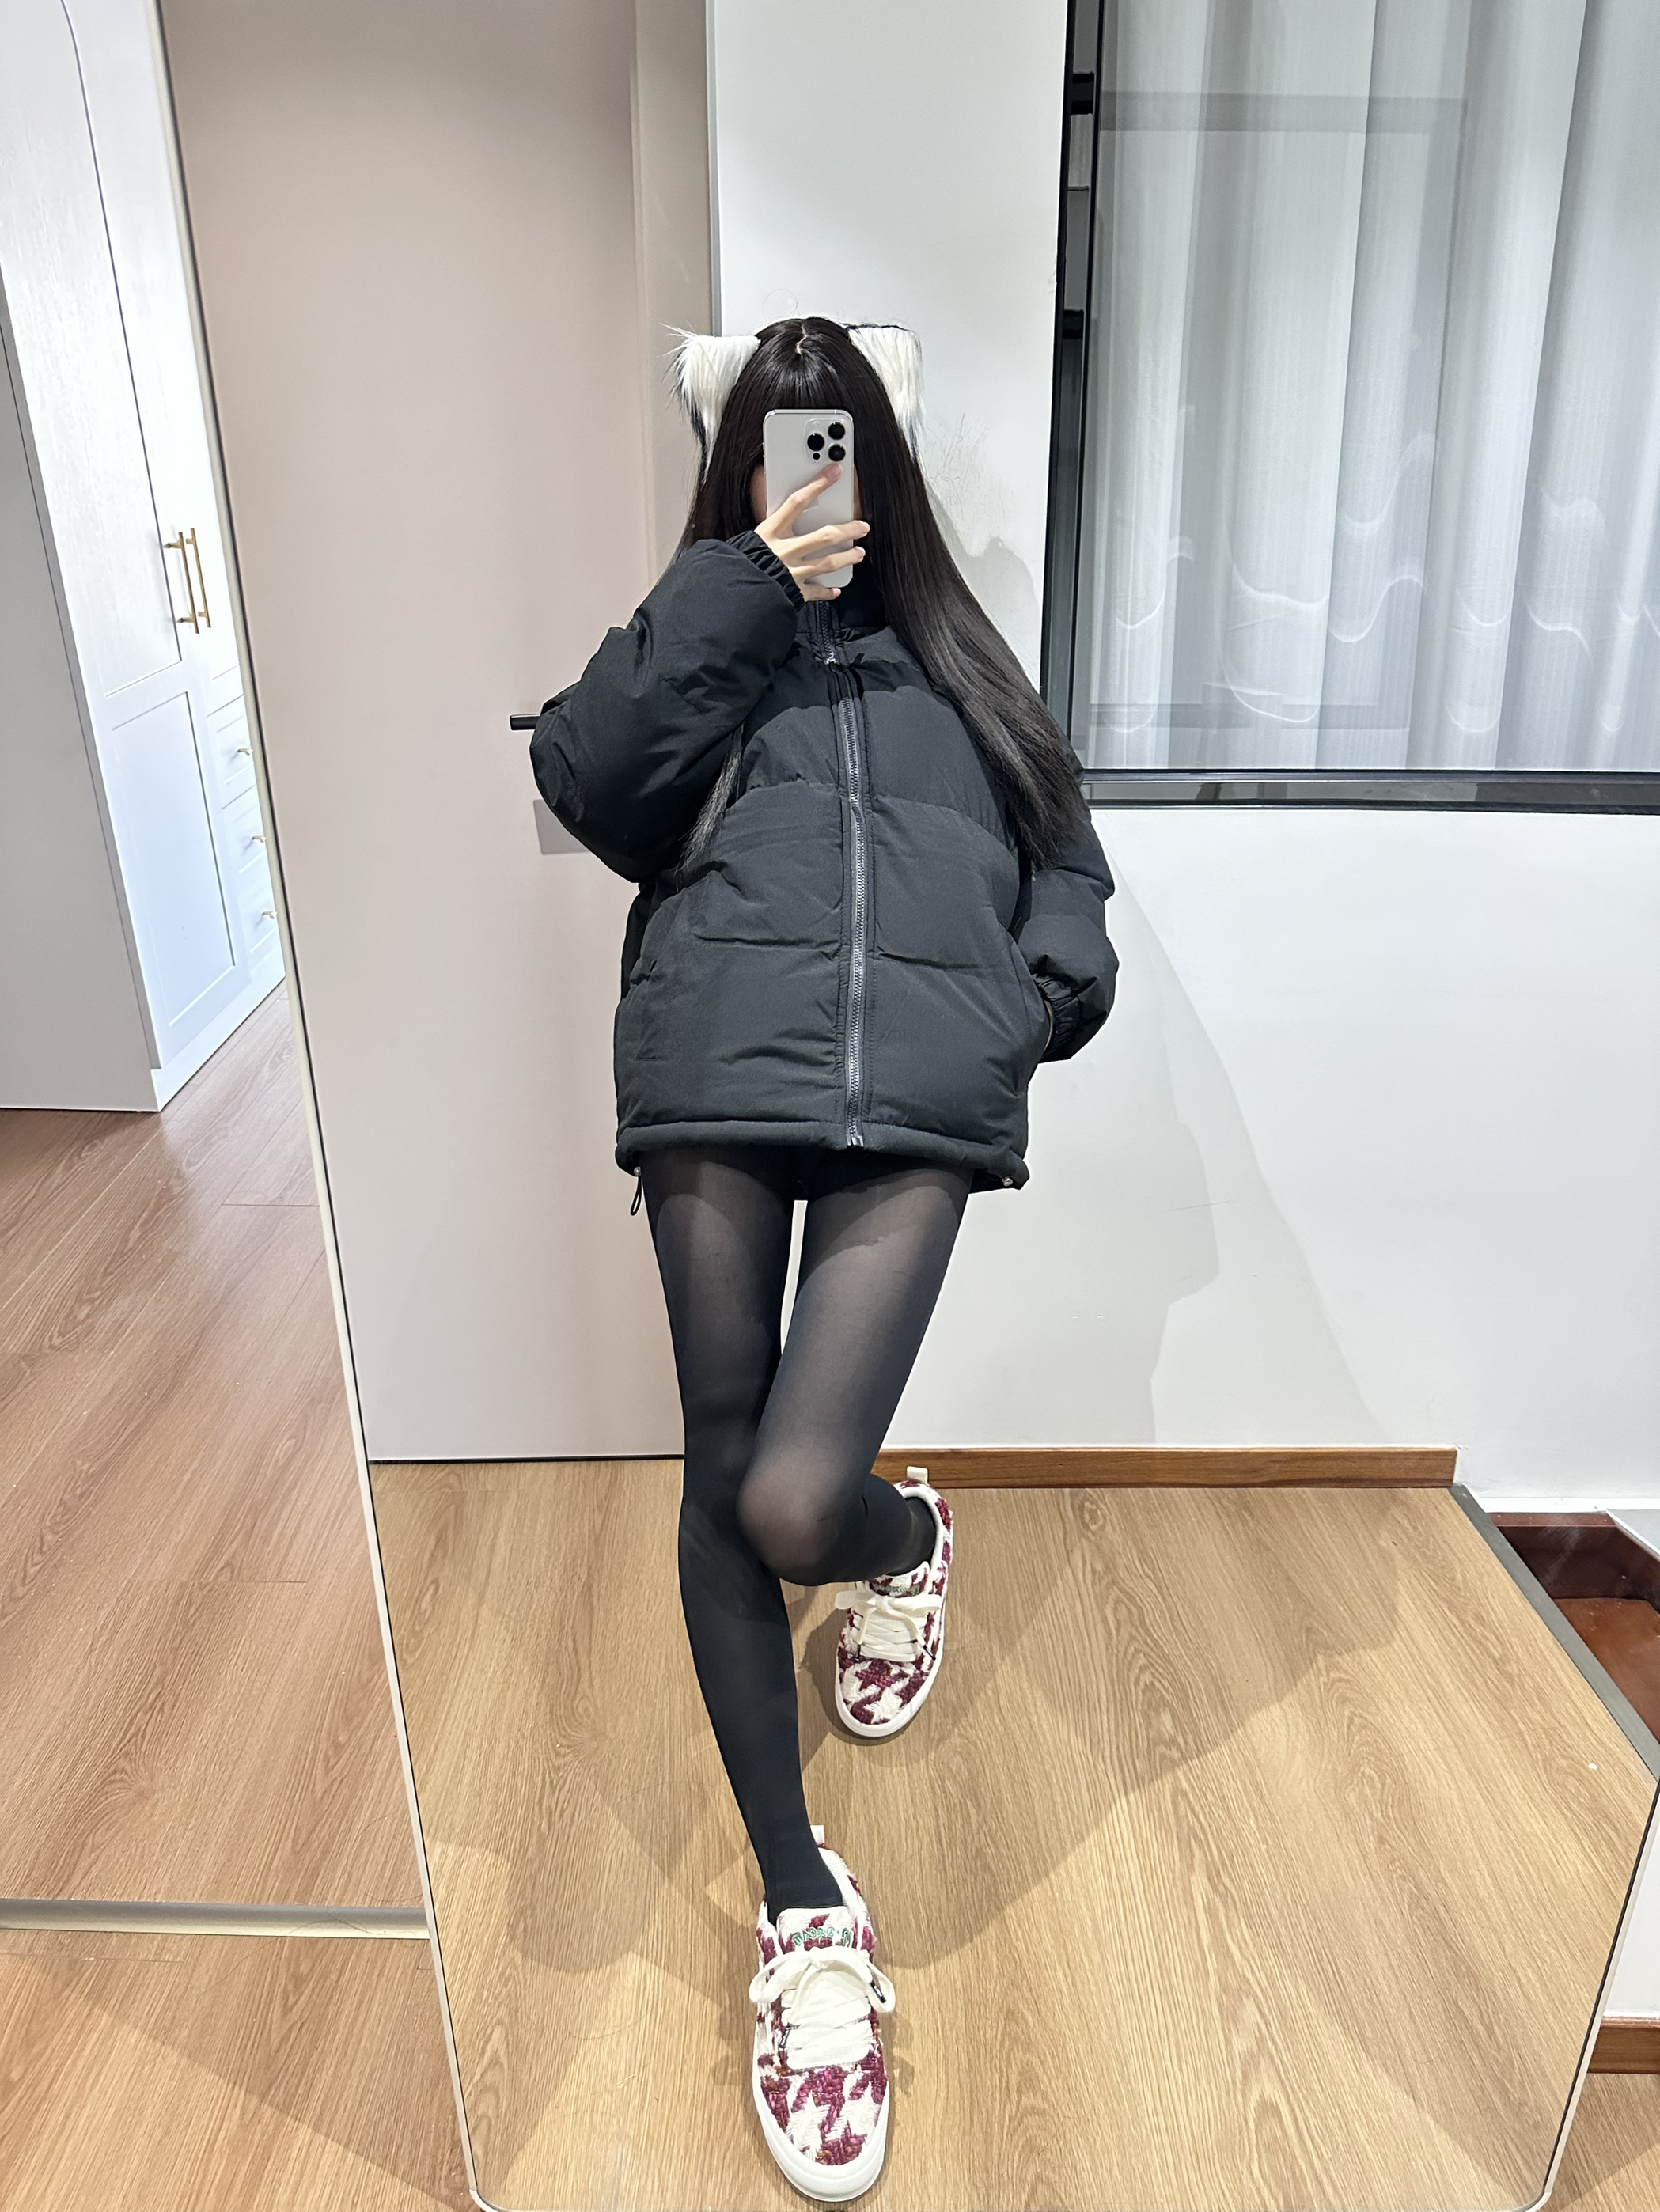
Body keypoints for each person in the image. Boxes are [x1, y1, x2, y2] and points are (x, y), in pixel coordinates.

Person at [529, 316, 1116, 2203]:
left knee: (799, 1498)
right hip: (716, 1068)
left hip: (912, 1096)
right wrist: (741, 587)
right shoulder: (704, 632)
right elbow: (585, 780)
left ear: (883, 459)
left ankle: (902, 1539)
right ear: (739, 470)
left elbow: (1065, 856)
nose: (815, 477)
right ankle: (801, 1911)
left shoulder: (959, 655)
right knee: (723, 1476)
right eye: (782, 447)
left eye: (839, 443)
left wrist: (1041, 988)